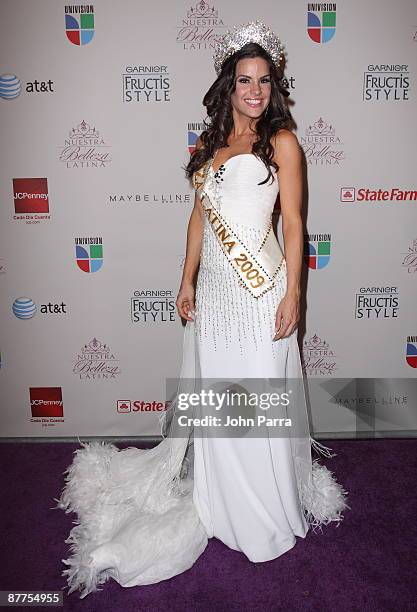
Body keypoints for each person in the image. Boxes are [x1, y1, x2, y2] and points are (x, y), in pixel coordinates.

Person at [53, 20, 349, 599]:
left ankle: (262, 509)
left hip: (257, 293)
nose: (256, 91)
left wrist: (294, 293)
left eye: (265, 80)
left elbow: (294, 225)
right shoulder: (210, 147)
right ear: (229, 85)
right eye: (245, 80)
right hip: (214, 294)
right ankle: (218, 500)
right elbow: (197, 218)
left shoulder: (283, 143)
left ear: (275, 86)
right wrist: (186, 277)